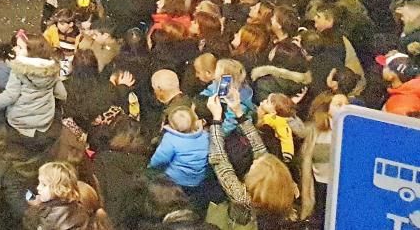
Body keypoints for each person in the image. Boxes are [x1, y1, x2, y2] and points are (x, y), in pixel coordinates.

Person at [206, 92, 301, 230]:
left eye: (255, 166)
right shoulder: (283, 191)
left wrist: (216, 120)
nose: (255, 161)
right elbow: (260, 150)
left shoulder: (243, 199)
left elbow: (220, 161)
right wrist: (239, 114)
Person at [0, 34, 66, 141]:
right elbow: (62, 94)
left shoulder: (19, 70)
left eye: (20, 47)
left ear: (31, 53)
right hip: (45, 119)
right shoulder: (51, 70)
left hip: (20, 121)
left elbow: (11, 96)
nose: (14, 49)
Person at [299, 93, 347, 223]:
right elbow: (307, 162)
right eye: (338, 105)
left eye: (346, 105)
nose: (343, 108)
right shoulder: (315, 131)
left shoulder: (349, 132)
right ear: (327, 108)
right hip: (320, 185)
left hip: (341, 187)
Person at [148, 106, 210, 195]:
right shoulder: (205, 136)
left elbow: (161, 159)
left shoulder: (170, 139)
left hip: (175, 180)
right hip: (197, 180)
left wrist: (151, 166)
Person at [23, 161, 93, 230]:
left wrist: (36, 208)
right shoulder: (76, 210)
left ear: (58, 188)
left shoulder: (57, 214)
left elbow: (31, 225)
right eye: (39, 183)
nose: (38, 187)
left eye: (44, 184)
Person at [379, 51, 420, 116]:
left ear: (391, 76)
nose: (381, 68)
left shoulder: (400, 107)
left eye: (385, 67)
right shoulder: (410, 90)